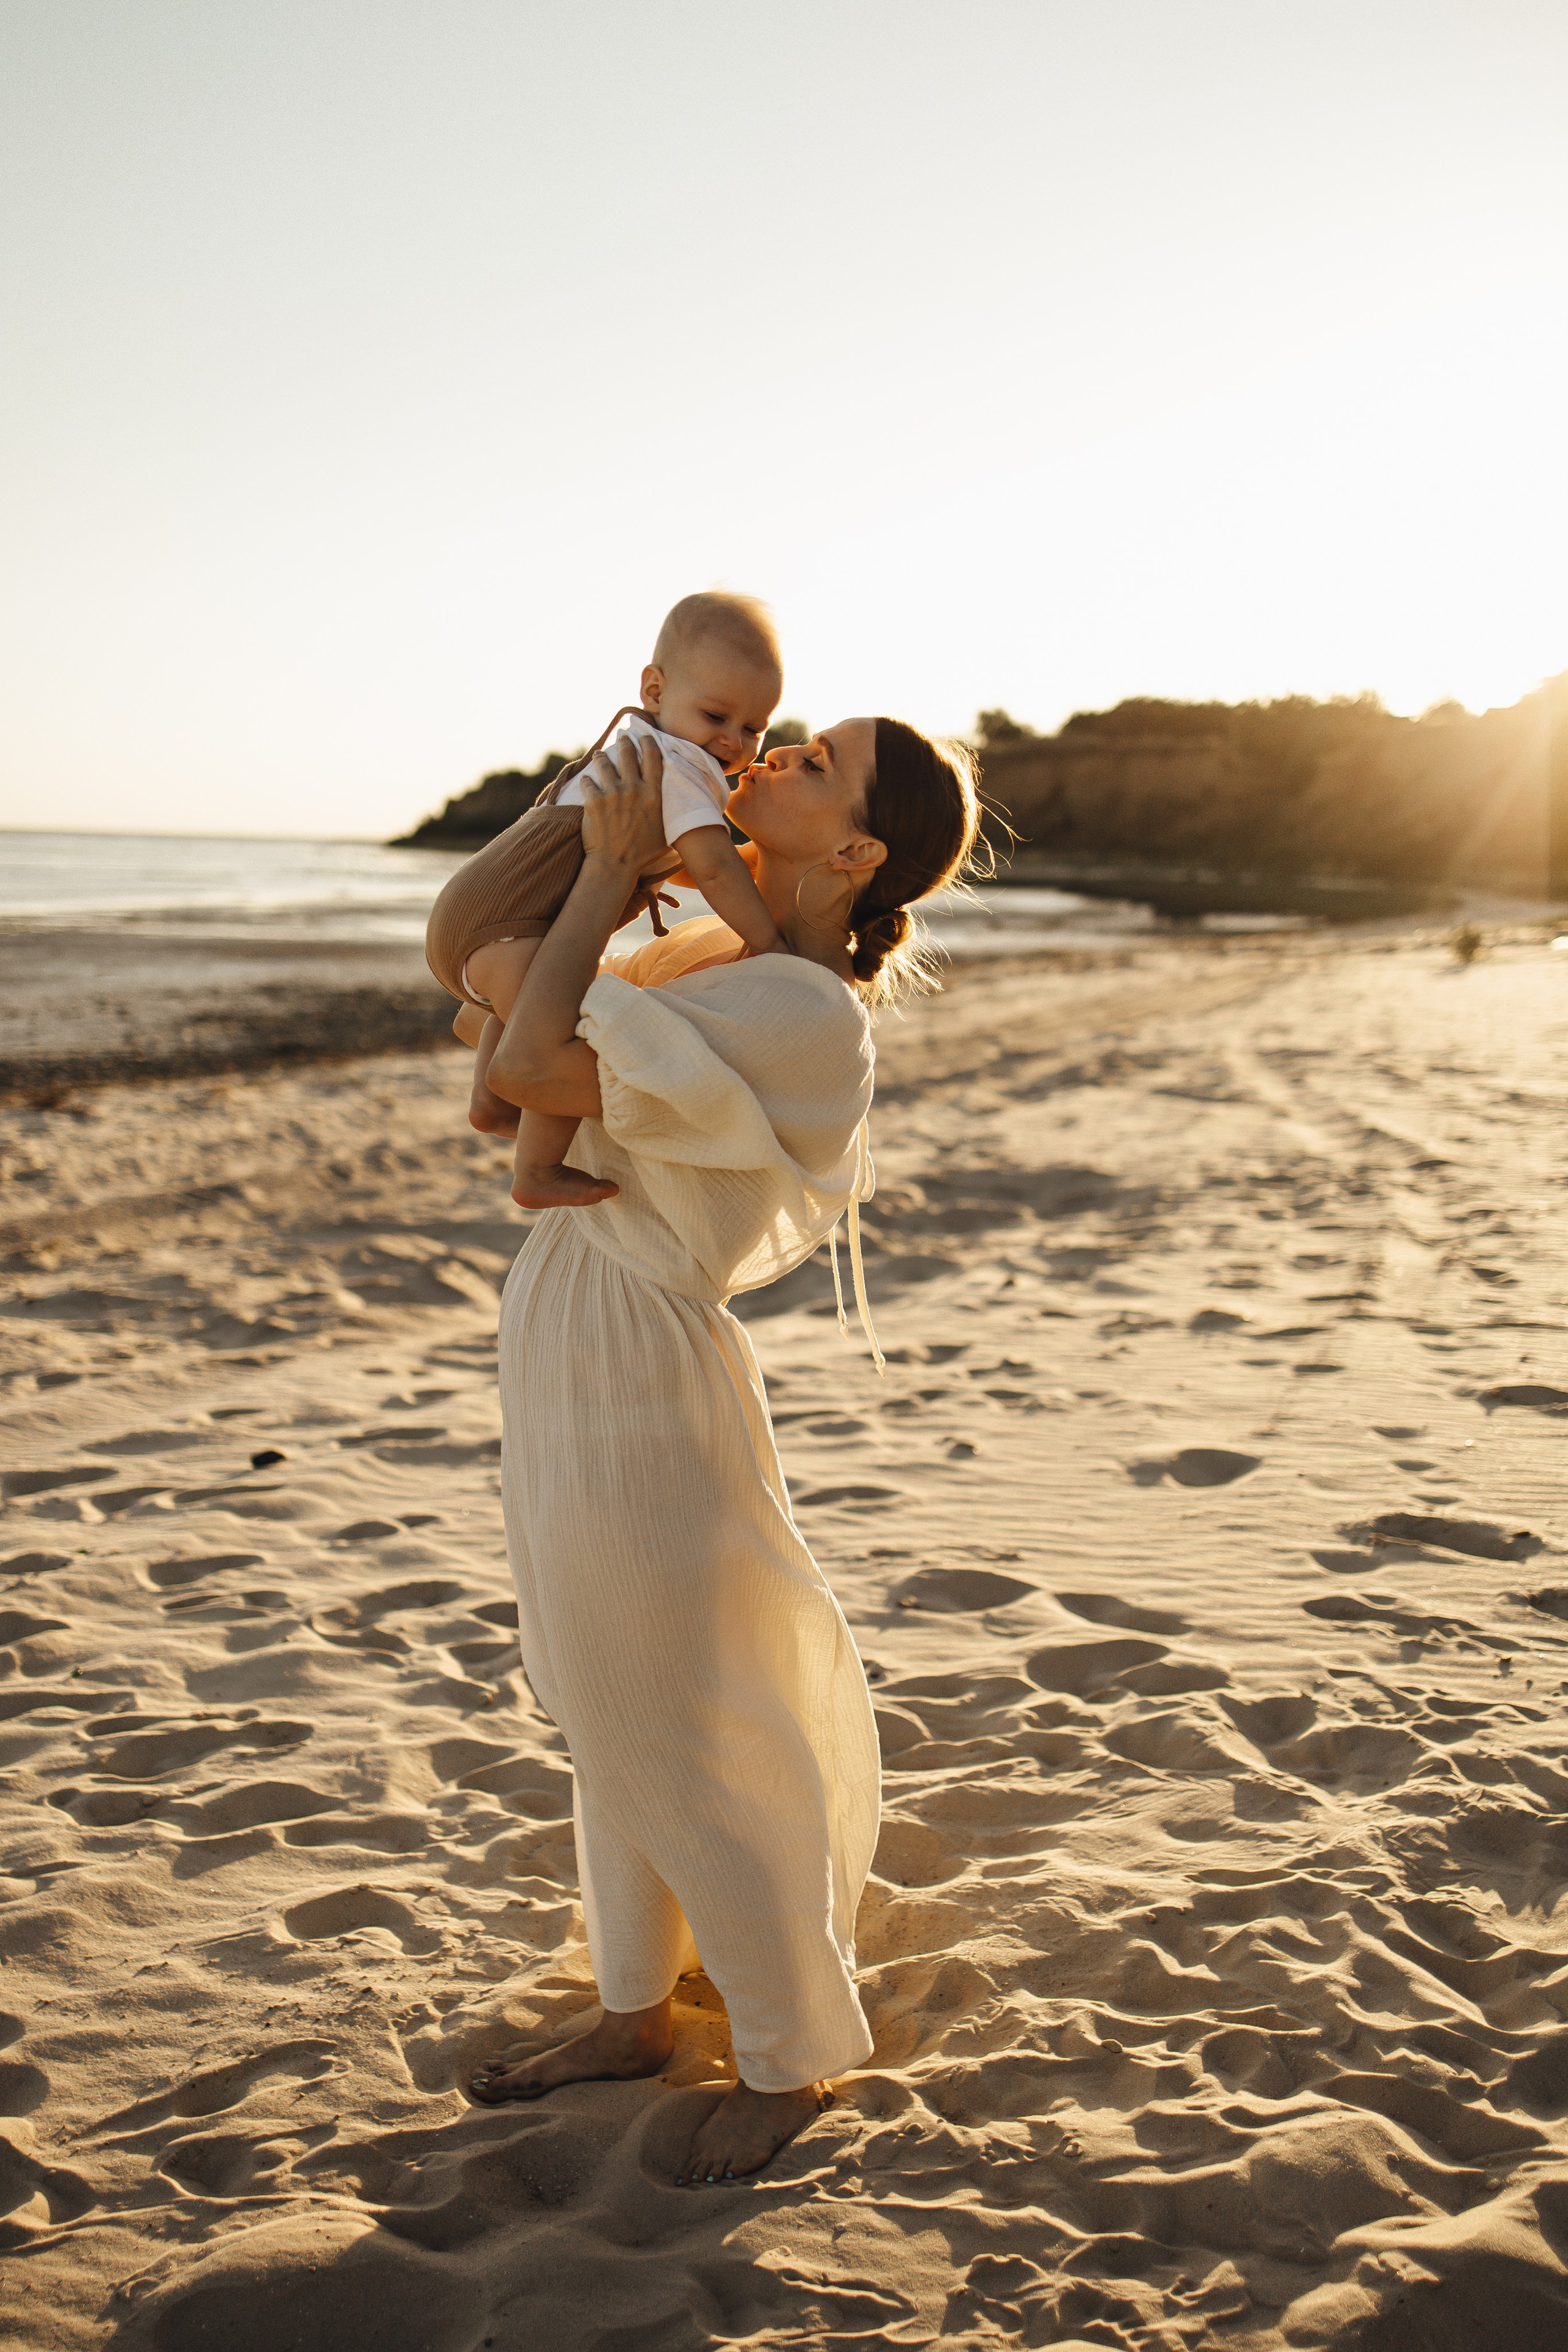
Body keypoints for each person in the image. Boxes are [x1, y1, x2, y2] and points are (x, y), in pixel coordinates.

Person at [467, 715, 982, 2187]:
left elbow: (540, 1059)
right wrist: (569, 922)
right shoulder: (709, 958)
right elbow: (504, 1049)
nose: (768, 760)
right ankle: (634, 2004)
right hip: (570, 1322)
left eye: (810, 763)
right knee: (597, 1687)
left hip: (637, 1342)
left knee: (672, 1702)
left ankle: (792, 2044)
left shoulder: (809, 1011)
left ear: (857, 851)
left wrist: (530, 968)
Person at [426, 592, 786, 1208]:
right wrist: (769, 942)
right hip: (509, 925)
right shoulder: (682, 766)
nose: (731, 742)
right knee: (564, 1034)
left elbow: (688, 868)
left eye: (753, 728)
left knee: (530, 1003)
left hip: (476, 909)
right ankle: (536, 1170)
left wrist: (760, 871)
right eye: (716, 716)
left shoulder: (632, 749)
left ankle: (490, 1101)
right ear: (653, 689)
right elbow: (716, 870)